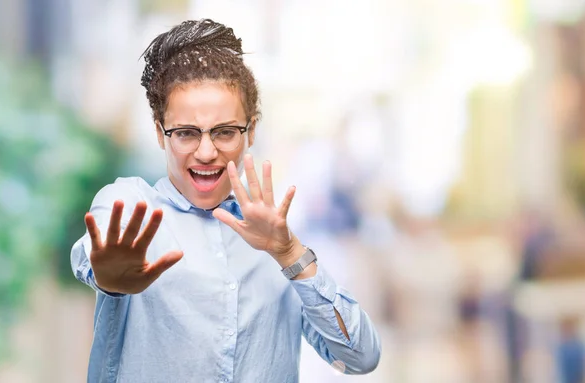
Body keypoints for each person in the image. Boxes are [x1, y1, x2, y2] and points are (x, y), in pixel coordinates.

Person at [70, 19, 381, 383]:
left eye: (224, 132)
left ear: (251, 131)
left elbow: (361, 357)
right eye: (186, 133)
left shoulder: (275, 241)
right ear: (160, 133)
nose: (206, 152)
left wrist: (289, 254)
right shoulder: (131, 203)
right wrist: (106, 275)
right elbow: (96, 248)